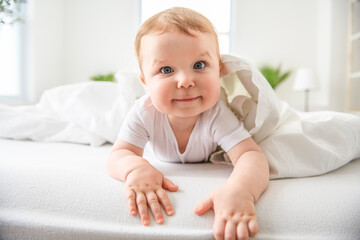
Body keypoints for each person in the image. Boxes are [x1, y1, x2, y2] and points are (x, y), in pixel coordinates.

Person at [107, 7, 269, 240]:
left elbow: (250, 156)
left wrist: (241, 191)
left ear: (219, 71)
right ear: (145, 82)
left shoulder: (216, 114)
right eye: (166, 70)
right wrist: (134, 168)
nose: (185, 81)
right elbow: (119, 153)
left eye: (199, 65)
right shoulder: (144, 112)